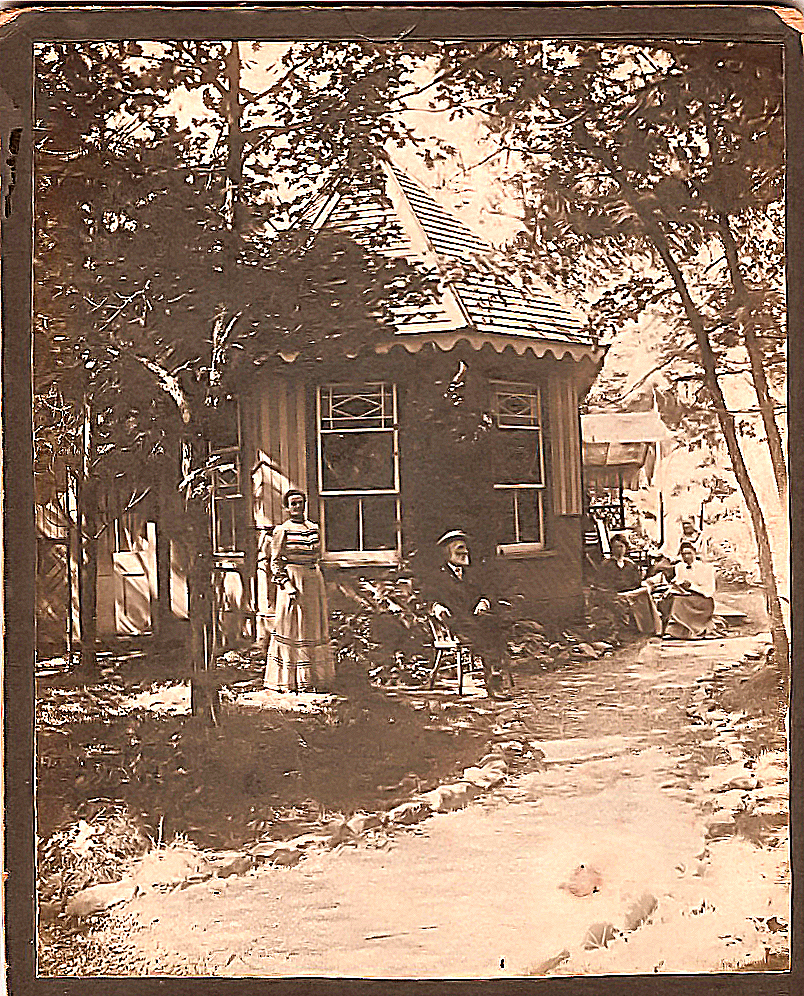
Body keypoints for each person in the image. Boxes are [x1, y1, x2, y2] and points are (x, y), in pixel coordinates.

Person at [264, 490, 335, 692]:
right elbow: (275, 562)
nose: (298, 507)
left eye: (301, 503)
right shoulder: (282, 530)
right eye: (293, 504)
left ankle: (314, 679)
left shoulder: (313, 528)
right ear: (286, 507)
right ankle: (290, 680)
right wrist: (287, 585)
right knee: (294, 627)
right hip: (293, 582)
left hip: (313, 581)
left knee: (312, 627)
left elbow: (317, 555)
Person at [425, 529, 508, 696]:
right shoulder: (437, 577)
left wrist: (484, 602)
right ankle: (494, 681)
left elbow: (487, 592)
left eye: (466, 549)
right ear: (447, 553)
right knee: (487, 632)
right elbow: (427, 599)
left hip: (476, 618)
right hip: (454, 623)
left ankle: (495, 675)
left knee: (496, 624)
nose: (465, 552)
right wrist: (436, 608)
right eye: (459, 549)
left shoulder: (471, 573)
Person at [593, 533, 662, 636]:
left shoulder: (630, 564)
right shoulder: (606, 564)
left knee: (645, 593)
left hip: (630, 592)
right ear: (612, 549)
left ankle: (652, 628)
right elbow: (602, 584)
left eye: (621, 546)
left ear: (625, 548)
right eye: (616, 547)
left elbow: (636, 582)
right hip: (615, 593)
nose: (619, 550)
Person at [663, 540, 718, 639]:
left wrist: (692, 587)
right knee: (670, 599)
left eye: (689, 553)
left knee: (677, 602)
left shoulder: (706, 568)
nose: (686, 557)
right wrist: (674, 587)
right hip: (685, 597)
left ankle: (692, 629)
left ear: (695, 553)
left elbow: (709, 591)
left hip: (702, 600)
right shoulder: (679, 567)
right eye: (683, 554)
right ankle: (675, 630)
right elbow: (678, 581)